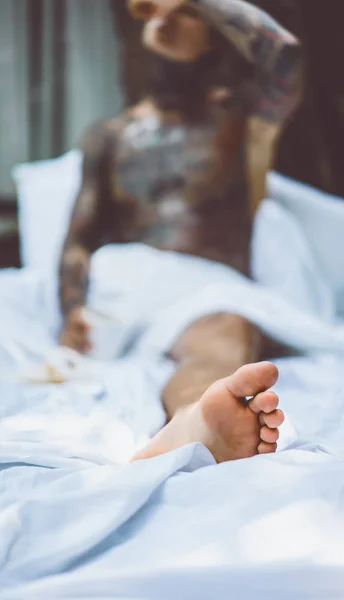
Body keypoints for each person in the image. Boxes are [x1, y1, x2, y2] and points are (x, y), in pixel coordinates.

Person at [58, 0, 301, 433]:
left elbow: (284, 53)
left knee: (220, 336)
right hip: (127, 289)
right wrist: (72, 310)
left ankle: (197, 423)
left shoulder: (238, 119)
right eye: (155, 13)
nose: (165, 21)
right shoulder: (110, 137)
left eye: (185, 14)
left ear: (211, 34)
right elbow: (80, 240)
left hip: (208, 294)